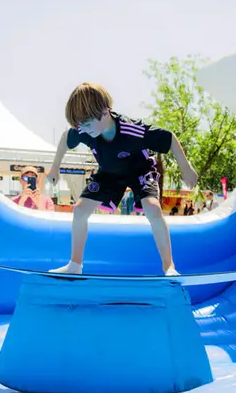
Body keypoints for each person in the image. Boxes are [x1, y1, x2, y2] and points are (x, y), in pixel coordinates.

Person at [46, 83, 198, 275]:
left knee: (152, 208)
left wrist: (186, 168)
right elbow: (65, 138)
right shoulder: (85, 130)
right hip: (109, 174)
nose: (82, 129)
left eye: (86, 123)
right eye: (79, 124)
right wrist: (54, 168)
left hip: (140, 171)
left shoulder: (132, 130)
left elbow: (169, 138)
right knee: (79, 210)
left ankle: (169, 266)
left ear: (104, 111)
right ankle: (75, 265)